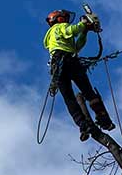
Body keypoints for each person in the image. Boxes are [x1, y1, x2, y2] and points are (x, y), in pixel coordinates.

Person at [43, 10, 116, 141]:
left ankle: (83, 125)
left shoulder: (54, 37)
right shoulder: (59, 27)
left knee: (69, 98)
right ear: (58, 19)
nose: (66, 20)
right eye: (64, 18)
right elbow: (71, 30)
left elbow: (77, 47)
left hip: (58, 67)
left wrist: (84, 32)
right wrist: (83, 24)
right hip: (68, 61)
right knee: (87, 91)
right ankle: (102, 116)